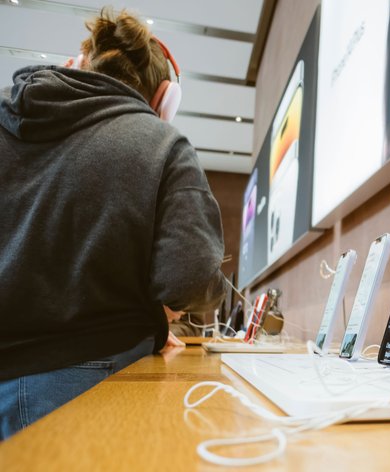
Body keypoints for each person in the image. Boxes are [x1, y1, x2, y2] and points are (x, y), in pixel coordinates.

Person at [0, 8, 225, 439]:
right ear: (164, 99)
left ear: (77, 64)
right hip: (86, 380)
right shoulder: (160, 141)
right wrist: (155, 317)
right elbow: (191, 275)